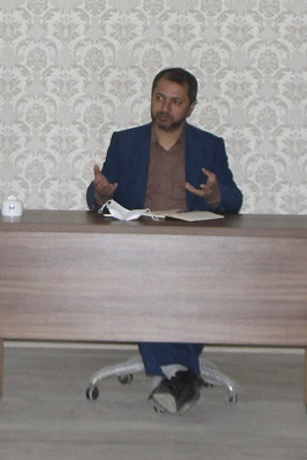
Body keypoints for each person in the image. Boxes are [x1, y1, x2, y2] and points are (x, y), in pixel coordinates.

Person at [86, 66, 244, 412]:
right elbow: (97, 196)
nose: (165, 107)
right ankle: (182, 373)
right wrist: (101, 194)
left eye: (176, 101)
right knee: (148, 280)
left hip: (193, 245)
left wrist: (215, 195)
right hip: (138, 244)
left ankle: (174, 373)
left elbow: (234, 200)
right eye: (159, 98)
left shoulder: (209, 146)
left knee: (189, 285)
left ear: (191, 107)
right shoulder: (125, 142)